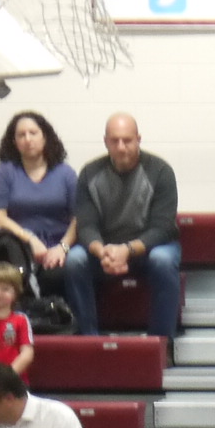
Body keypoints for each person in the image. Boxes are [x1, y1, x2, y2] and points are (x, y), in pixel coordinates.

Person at [65, 113, 182, 338]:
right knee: (75, 260)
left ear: (138, 139)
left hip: (149, 248)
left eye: (127, 140)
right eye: (114, 140)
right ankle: (88, 339)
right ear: (105, 142)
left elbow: (162, 227)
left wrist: (126, 250)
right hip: (106, 250)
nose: (121, 147)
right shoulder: (90, 172)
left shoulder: (160, 171)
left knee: (163, 260)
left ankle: (161, 343)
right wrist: (103, 252)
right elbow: (86, 225)